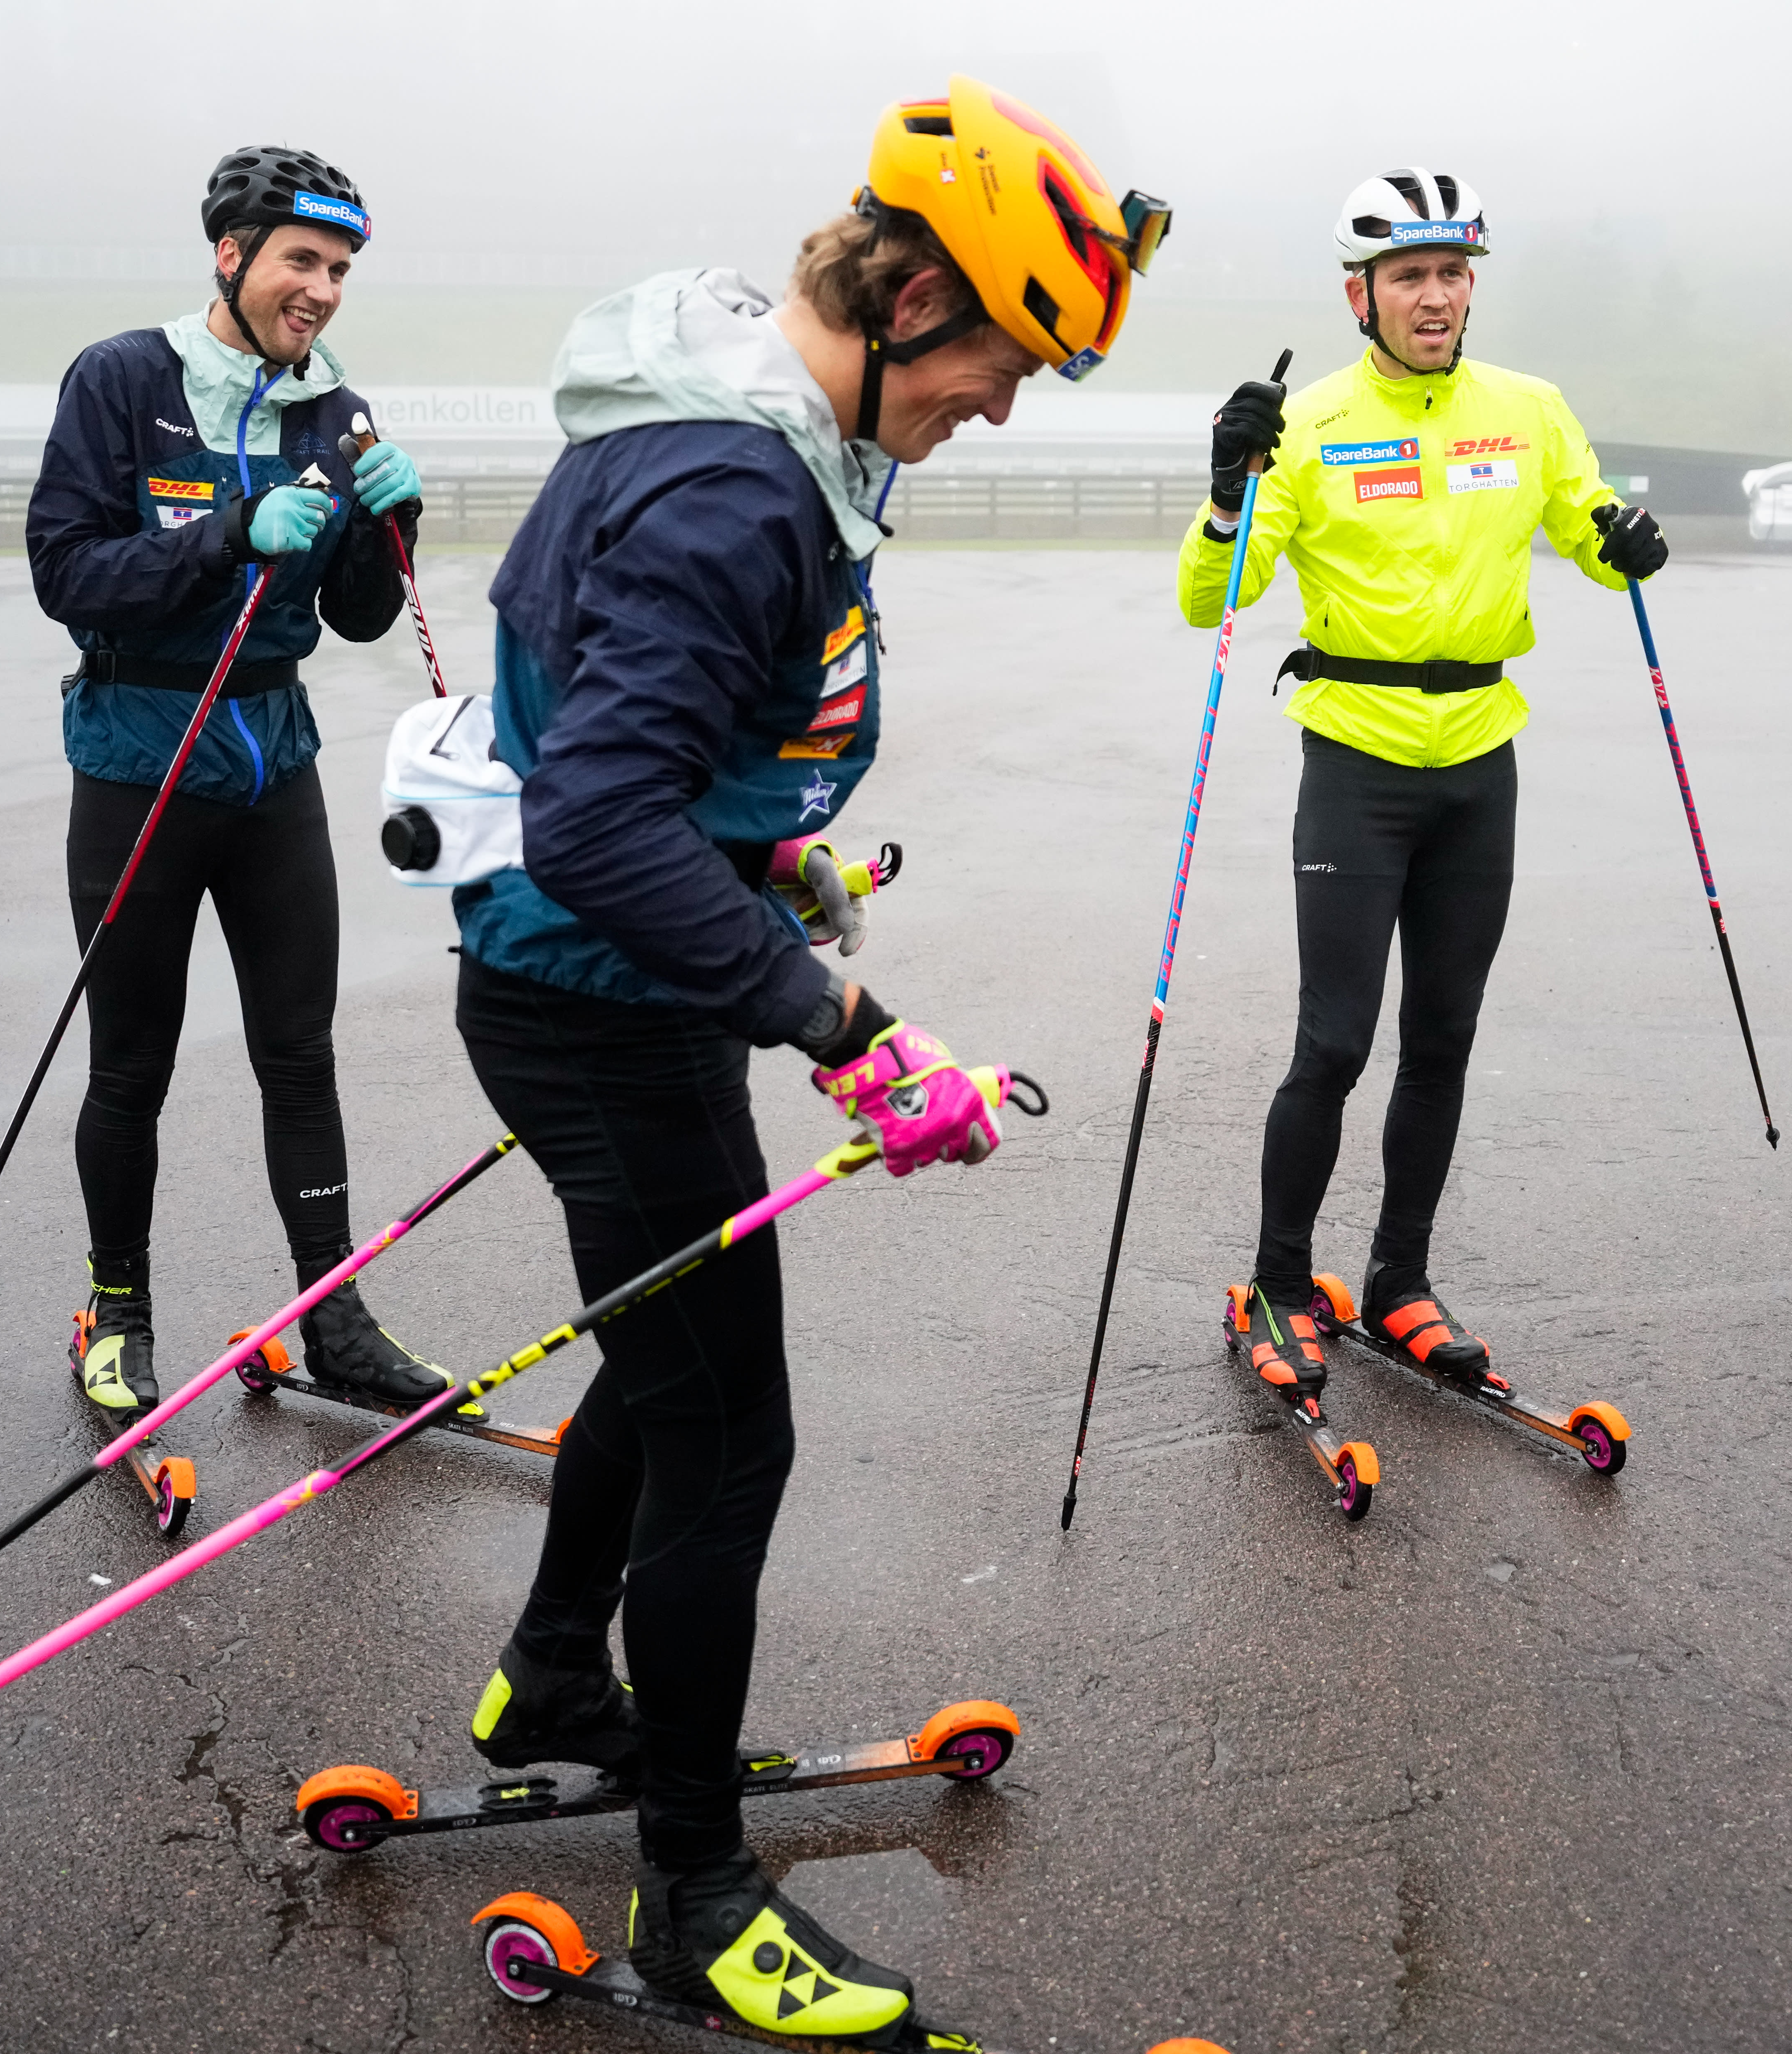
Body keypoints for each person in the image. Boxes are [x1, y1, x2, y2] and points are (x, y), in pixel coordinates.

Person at [447, 78, 1160, 2042]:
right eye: (1005, 363)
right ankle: (692, 1893)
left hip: (613, 994)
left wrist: (764, 860)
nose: (1002, 411)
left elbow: (636, 752)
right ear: (913, 302)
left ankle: (551, 1678)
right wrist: (841, 1022)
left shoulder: (754, 441)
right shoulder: (737, 492)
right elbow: (595, 817)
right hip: (601, 1013)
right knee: (727, 1439)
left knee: (661, 1367)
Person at [1182, 167, 1668, 1407]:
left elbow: (1593, 533)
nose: (1438, 295)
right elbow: (1212, 597)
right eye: (1410, 275)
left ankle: (1401, 1278)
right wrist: (1231, 492)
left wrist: (1626, 541)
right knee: (1336, 1043)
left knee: (1443, 1038)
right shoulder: (1309, 424)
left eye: (1454, 272)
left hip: (1479, 763)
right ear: (1362, 295)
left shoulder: (1528, 409)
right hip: (1357, 762)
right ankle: (1279, 1286)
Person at [24, 146, 452, 1423]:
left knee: (301, 1055)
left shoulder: (337, 409)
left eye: (340, 269)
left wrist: (393, 523)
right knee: (130, 1067)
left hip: (276, 764)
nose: (321, 290)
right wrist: (227, 533)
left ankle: (336, 1320)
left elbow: (362, 613)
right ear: (231, 256)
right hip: (141, 759)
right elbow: (66, 573)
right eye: (300, 261)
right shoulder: (122, 380)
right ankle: (116, 1313)